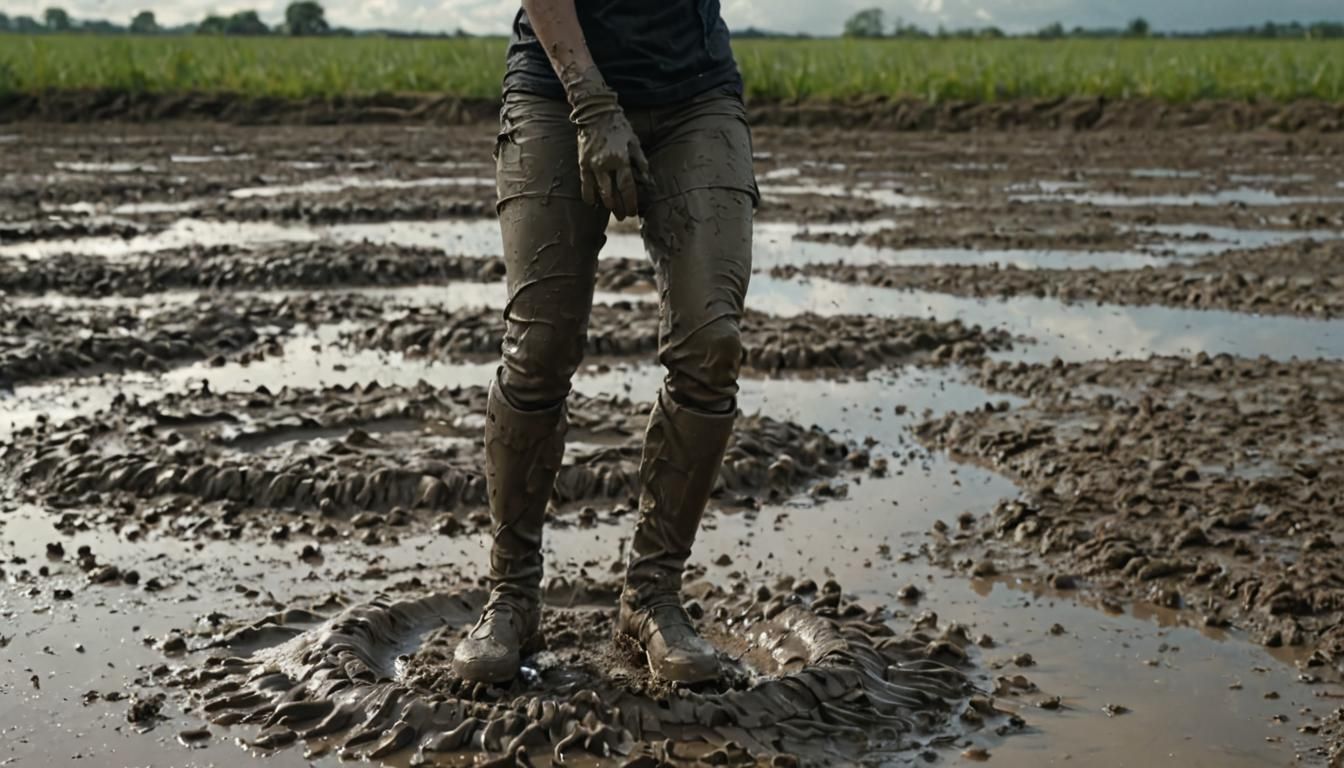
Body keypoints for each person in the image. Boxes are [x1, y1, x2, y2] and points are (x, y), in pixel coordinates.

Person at [451, 0, 757, 686]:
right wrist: (592, 104)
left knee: (712, 347)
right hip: (555, 92)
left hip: (694, 94)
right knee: (539, 348)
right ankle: (511, 597)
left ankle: (652, 597)